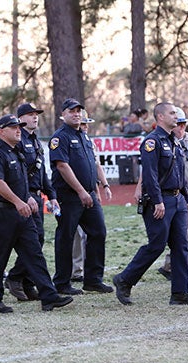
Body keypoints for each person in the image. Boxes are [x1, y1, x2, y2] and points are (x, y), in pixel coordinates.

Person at [112, 103, 188, 306]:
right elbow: (150, 175)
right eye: (172, 113)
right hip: (161, 200)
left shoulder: (175, 141)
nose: (176, 117)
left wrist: (185, 199)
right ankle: (124, 280)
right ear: (160, 117)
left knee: (181, 245)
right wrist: (157, 201)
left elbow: (179, 172)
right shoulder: (152, 142)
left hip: (178, 199)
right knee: (157, 245)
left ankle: (180, 292)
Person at [0, 114, 73, 313]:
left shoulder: (18, 152)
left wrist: (28, 197)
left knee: (35, 255)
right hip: (3, 213)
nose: (18, 130)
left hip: (22, 213)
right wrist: (17, 201)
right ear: (1, 131)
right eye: (13, 127)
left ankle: (49, 296)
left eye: (19, 127)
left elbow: (21, 181)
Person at [49, 98, 112, 295]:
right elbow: (62, 166)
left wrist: (97, 187)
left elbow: (91, 164)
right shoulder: (60, 137)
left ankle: (93, 279)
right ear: (63, 114)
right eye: (72, 111)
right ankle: (62, 282)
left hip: (88, 194)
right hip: (69, 196)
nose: (76, 114)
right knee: (66, 237)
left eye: (79, 111)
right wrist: (80, 191)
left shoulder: (84, 137)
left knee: (98, 232)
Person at [4, 102, 59, 302]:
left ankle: (25, 281)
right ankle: (15, 277)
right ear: (20, 119)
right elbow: (18, 175)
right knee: (32, 241)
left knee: (37, 240)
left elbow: (42, 171)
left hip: (37, 196)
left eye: (36, 114)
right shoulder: (17, 140)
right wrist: (24, 196)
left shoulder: (36, 141)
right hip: (23, 197)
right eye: (29, 114)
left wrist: (51, 195)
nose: (34, 117)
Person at [156, 107, 188, 284]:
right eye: (179, 123)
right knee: (182, 235)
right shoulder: (164, 142)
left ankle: (169, 265)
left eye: (184, 124)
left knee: (187, 235)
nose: (182, 127)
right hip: (176, 195)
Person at [71, 109, 112, 282]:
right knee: (76, 234)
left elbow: (96, 166)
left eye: (87, 124)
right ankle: (76, 270)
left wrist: (104, 186)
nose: (85, 127)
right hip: (73, 194)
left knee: (95, 232)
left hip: (90, 191)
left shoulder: (89, 143)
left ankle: (91, 274)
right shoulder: (68, 141)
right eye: (82, 124)